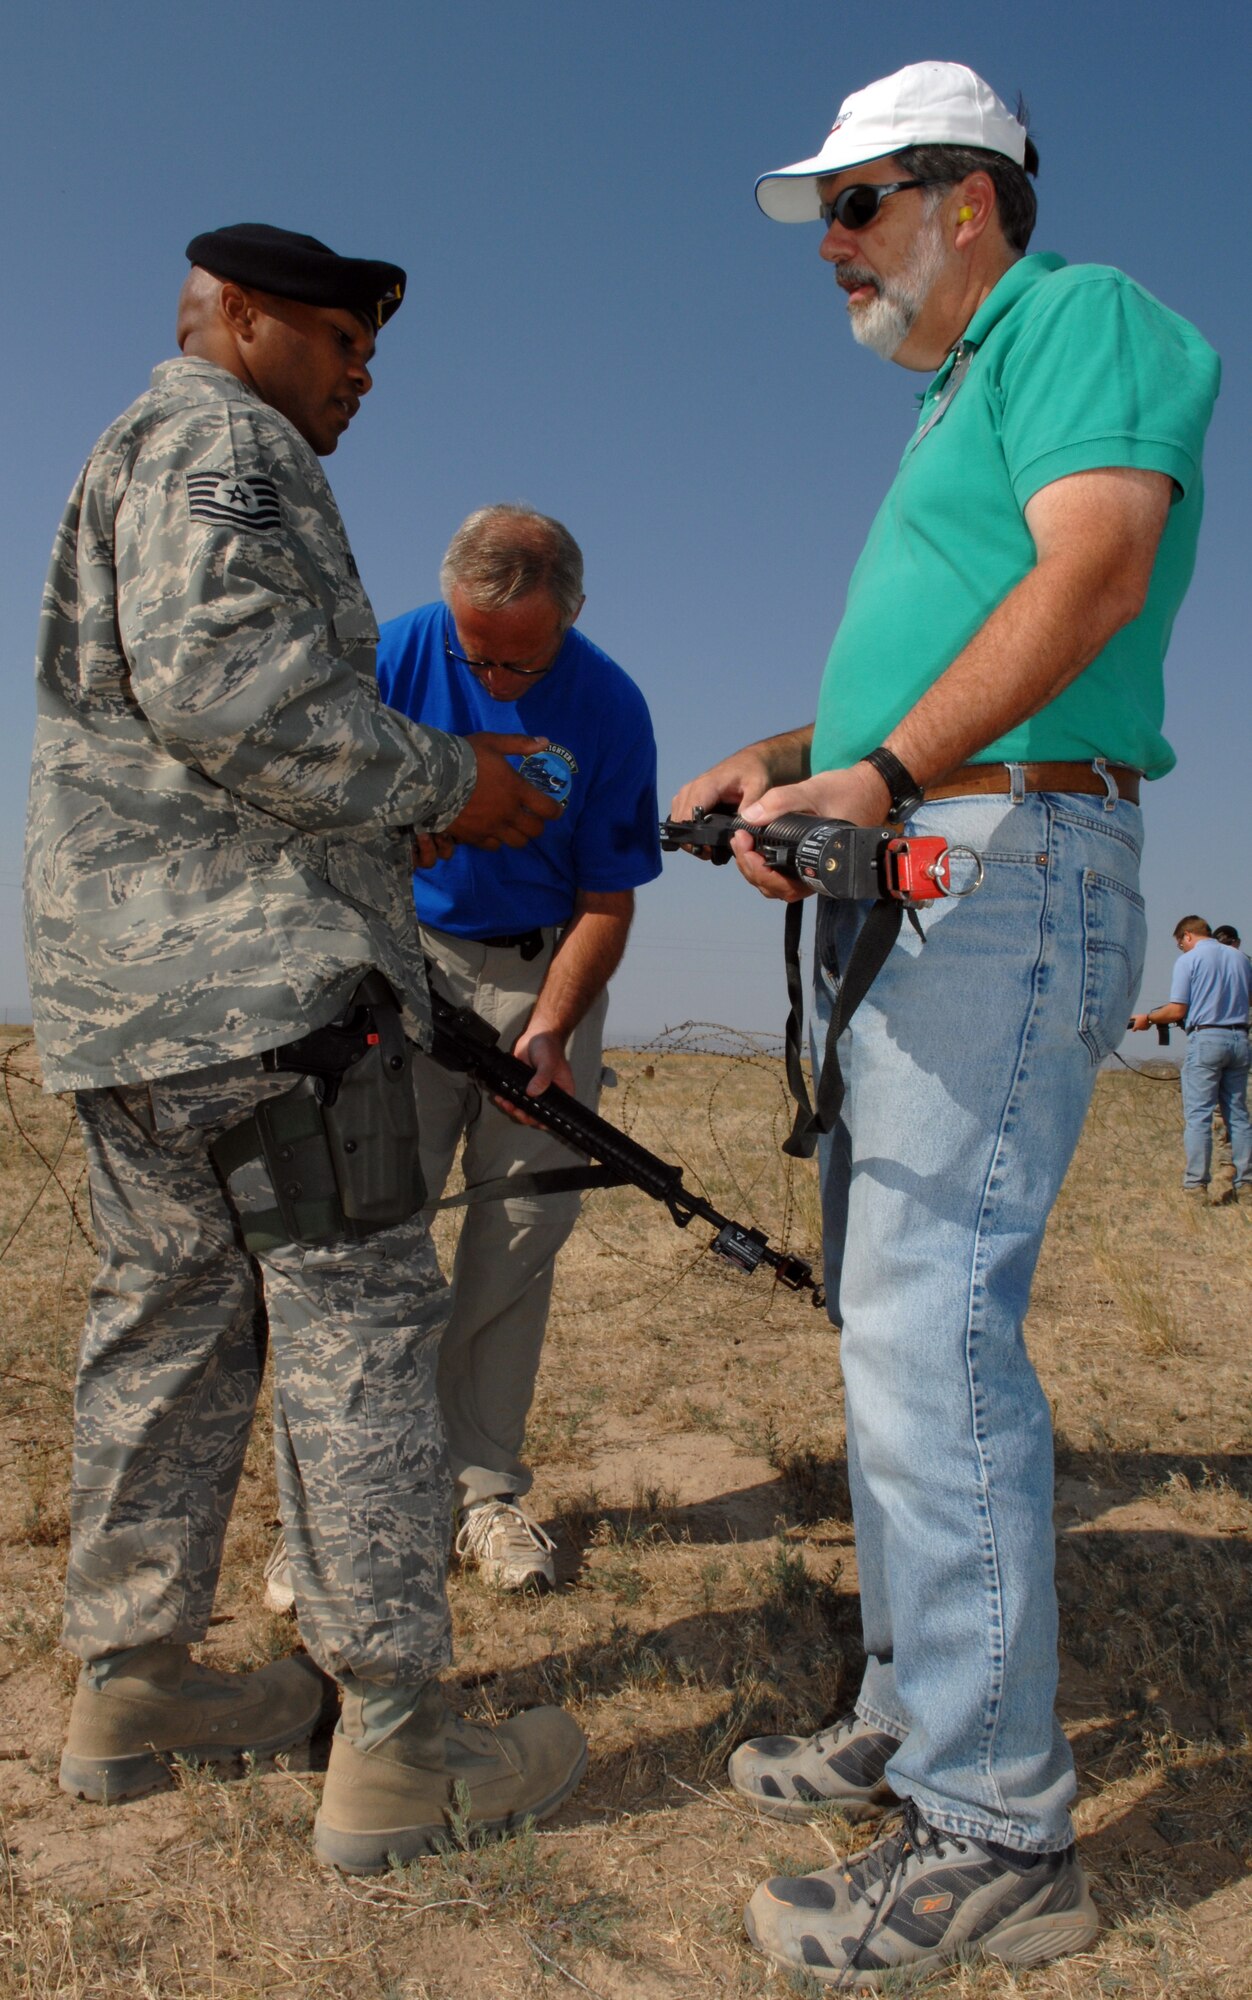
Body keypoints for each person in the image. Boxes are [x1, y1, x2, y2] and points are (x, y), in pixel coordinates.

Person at [672, 61, 1220, 1984]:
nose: (827, 246)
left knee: (933, 1328)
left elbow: (1093, 571)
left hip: (1001, 868)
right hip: (929, 857)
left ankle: (996, 1834)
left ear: (966, 199)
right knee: (889, 1326)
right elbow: (962, 632)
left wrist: (886, 774)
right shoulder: (949, 399)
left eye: (855, 204)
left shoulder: (1080, 319)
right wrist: (795, 757)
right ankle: (913, 1708)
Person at [24, 222, 587, 1873]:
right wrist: (450, 788)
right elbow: (238, 697)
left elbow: (192, 732)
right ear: (244, 319)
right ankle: (400, 1749)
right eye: (341, 340)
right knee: (352, 1343)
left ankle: (130, 1693)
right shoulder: (224, 443)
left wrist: (360, 833)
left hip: (133, 1010)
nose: (357, 375)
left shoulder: (130, 449)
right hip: (267, 1011)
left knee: (169, 1337)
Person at [262, 506, 661, 1599]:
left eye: (518, 660)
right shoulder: (386, 655)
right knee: (365, 1238)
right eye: (473, 651)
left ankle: (482, 1493)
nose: (489, 677)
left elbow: (607, 899)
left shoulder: (613, 704)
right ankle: (331, 1509)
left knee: (517, 1237)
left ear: (571, 618)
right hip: (400, 966)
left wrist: (551, 1025)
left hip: (545, 974)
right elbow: (309, 811)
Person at [1130, 917, 1251, 1202]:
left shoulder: (1189, 960)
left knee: (1198, 1116)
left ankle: (1196, 1186)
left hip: (1207, 1039)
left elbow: (1176, 1010)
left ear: (1186, 936)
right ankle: (1246, 1185)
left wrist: (1147, 1018)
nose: (1180, 950)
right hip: (1240, 1039)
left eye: (1179, 944)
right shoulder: (1240, 959)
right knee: (1239, 1116)